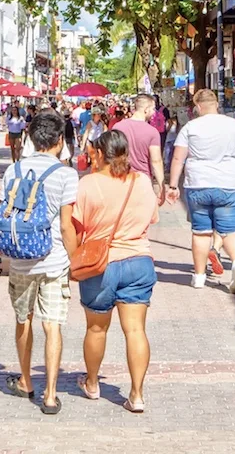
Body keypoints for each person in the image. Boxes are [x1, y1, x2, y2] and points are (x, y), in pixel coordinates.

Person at [65, 130, 159, 413]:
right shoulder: (142, 181)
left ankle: (92, 383)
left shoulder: (88, 184)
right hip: (139, 261)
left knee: (96, 328)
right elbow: (151, 218)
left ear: (98, 153)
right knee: (135, 330)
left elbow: (75, 226)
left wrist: (72, 259)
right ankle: (137, 394)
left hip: (100, 266)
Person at [1, 111, 78, 415]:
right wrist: (76, 260)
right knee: (53, 325)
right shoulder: (66, 174)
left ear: (31, 139)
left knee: (24, 320)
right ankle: (50, 394)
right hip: (54, 260)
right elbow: (67, 225)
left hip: (20, 259)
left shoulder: (14, 170)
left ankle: (26, 381)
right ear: (60, 141)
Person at [166, 88, 235, 293]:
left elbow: (178, 158)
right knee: (231, 230)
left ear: (197, 106)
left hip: (198, 183)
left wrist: (173, 185)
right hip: (229, 182)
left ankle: (199, 276)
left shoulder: (190, 127)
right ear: (216, 105)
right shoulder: (234, 126)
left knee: (201, 232)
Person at [115, 94, 166, 204]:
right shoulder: (152, 132)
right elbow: (156, 161)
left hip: (121, 179)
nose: (154, 112)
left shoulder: (117, 127)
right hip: (143, 181)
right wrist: (162, 187)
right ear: (146, 109)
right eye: (153, 109)